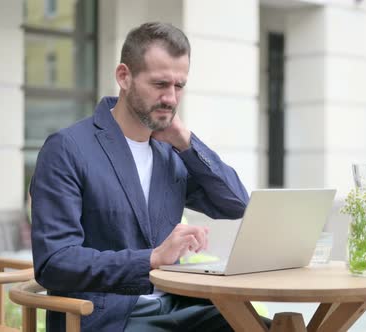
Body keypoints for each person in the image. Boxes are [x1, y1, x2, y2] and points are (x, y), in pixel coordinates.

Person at [31, 22, 263, 331]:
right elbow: (55, 263)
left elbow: (236, 204)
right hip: (109, 316)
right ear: (124, 76)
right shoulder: (68, 149)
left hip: (181, 305)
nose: (170, 97)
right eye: (160, 84)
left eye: (179, 86)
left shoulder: (171, 153)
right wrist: (151, 258)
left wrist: (187, 142)